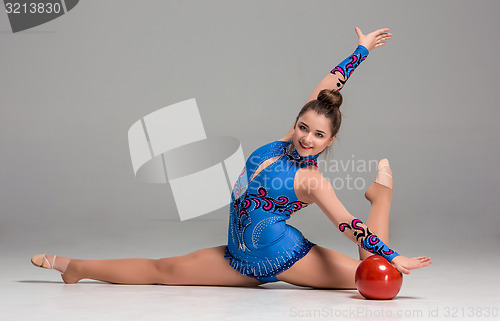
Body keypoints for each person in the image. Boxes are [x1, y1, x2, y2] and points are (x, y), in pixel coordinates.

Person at [31, 27, 432, 288]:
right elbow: (328, 86)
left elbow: (346, 225)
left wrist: (396, 255)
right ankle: (76, 267)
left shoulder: (311, 181)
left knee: (379, 279)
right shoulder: (281, 143)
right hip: (239, 257)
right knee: (161, 271)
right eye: (303, 127)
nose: (307, 138)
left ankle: (381, 198)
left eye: (319, 135)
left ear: (331, 142)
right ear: (296, 123)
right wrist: (360, 49)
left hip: (286, 257)